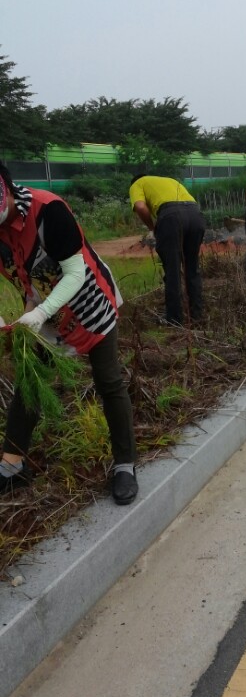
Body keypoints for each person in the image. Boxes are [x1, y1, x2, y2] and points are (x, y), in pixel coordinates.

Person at [0, 163, 138, 504]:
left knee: (108, 381)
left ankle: (125, 464)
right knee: (30, 382)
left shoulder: (48, 210)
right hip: (42, 311)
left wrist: (42, 313)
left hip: (88, 305)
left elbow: (75, 273)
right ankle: (11, 465)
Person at [129, 174, 206, 326]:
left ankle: (174, 319)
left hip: (172, 216)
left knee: (173, 270)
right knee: (192, 268)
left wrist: (152, 228)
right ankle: (197, 316)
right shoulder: (170, 180)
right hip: (196, 214)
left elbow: (140, 206)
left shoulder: (137, 183)